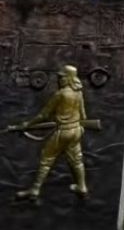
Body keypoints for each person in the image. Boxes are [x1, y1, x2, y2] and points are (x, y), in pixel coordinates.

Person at [15, 65, 88, 200]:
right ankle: (82, 187)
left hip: (63, 132)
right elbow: (83, 116)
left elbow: (44, 115)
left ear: (69, 78)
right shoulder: (79, 93)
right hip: (76, 131)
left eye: (61, 77)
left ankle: (35, 190)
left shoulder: (60, 94)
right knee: (77, 160)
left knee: (46, 159)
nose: (59, 80)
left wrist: (28, 124)